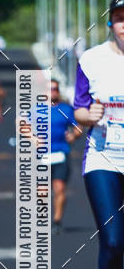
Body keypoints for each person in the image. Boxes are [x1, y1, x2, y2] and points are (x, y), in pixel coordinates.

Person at [74, 0, 124, 269]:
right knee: (113, 241)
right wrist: (87, 116)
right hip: (105, 158)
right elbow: (78, 109)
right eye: (121, 17)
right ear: (110, 22)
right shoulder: (91, 60)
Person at [50, 78, 79, 234]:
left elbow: (78, 126)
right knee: (41, 192)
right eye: (50, 89)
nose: (53, 92)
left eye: (55, 89)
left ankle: (57, 220)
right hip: (41, 155)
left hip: (61, 153)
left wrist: (74, 135)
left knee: (59, 188)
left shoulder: (66, 109)